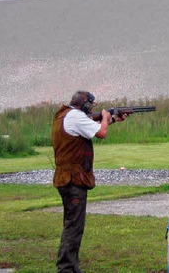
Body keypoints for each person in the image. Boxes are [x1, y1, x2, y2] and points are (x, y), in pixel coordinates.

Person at [52, 91, 128, 273]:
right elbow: (101, 132)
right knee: (74, 227)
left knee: (72, 224)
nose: (93, 109)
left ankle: (71, 266)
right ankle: (66, 269)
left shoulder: (65, 115)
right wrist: (105, 116)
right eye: (92, 106)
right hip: (73, 179)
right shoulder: (76, 117)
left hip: (66, 177)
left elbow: (92, 127)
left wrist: (113, 120)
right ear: (85, 105)